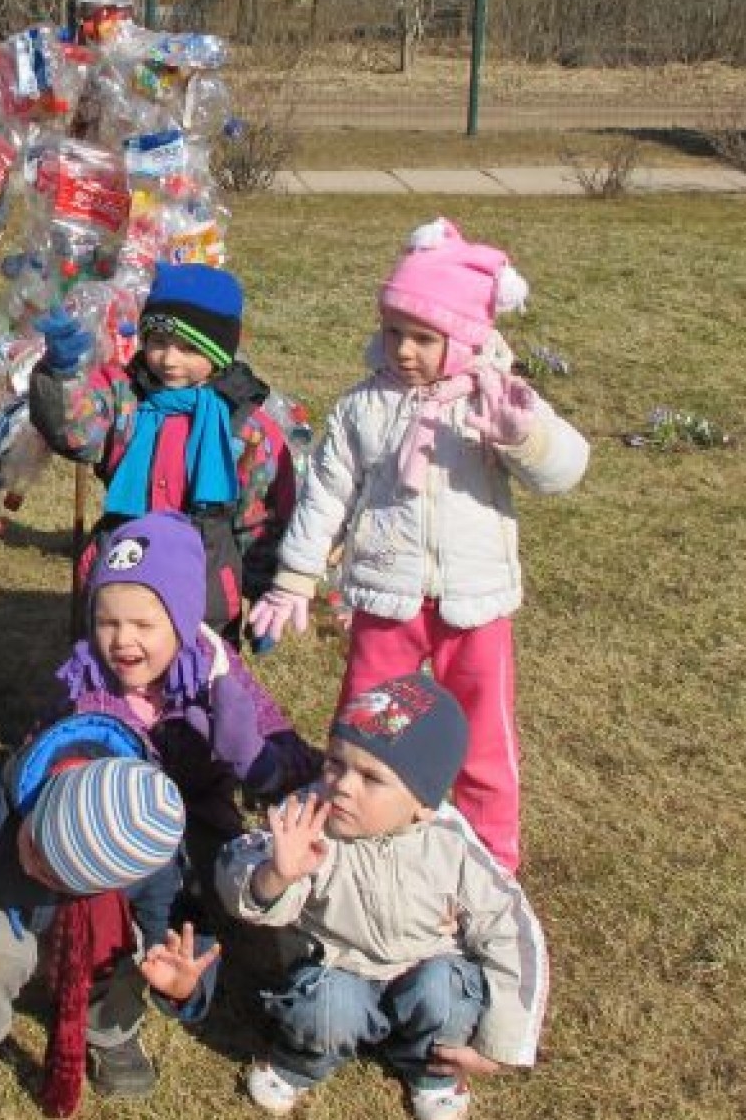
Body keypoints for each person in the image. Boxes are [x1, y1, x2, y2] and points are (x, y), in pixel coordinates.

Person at [249, 218, 589, 874]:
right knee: (363, 725)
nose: (405, 350)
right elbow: (326, 494)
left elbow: (565, 469)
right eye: (395, 331)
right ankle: (351, 837)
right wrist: (296, 576)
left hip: (474, 600)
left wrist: (522, 436)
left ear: (465, 338)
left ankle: (492, 861)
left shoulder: (493, 401)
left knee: (484, 735)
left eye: (425, 338)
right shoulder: (364, 407)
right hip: (386, 597)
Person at [215, 674, 548, 1120]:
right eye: (335, 762)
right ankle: (305, 1059)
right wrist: (275, 875)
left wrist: (501, 1041)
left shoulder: (450, 844)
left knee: (446, 992)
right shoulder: (310, 817)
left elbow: (510, 929)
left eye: (372, 777)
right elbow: (234, 871)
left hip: (425, 968)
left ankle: (430, 1070)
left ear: (423, 803)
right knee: (328, 1004)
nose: (343, 786)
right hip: (340, 967)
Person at [0, 718, 216, 1115]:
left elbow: (174, 926)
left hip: (95, 928)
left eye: (54, 875)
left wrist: (180, 987)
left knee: (137, 952)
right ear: (44, 801)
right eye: (33, 846)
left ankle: (110, 1026)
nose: (33, 868)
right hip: (8, 910)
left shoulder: (153, 855)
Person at [30, 261, 311, 636]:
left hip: (204, 588)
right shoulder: (123, 395)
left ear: (221, 352)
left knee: (194, 683)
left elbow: (262, 514)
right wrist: (60, 375)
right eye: (158, 342)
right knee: (114, 678)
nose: (168, 359)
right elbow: (73, 431)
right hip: (122, 575)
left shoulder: (245, 427)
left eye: (189, 348)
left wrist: (263, 592)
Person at [56, 511, 321, 862]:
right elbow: (40, 757)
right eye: (107, 623)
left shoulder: (215, 670)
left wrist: (258, 760)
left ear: (182, 622)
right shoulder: (85, 682)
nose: (122, 639)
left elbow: (304, 769)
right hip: (112, 838)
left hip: (199, 822)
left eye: (142, 624)